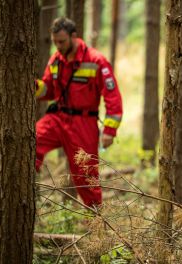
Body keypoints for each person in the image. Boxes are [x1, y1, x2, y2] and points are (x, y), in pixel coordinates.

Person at [35, 17, 123, 207]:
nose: (58, 46)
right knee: (30, 142)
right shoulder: (55, 60)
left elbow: (113, 97)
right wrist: (34, 87)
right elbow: (48, 90)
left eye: (62, 41)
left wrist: (109, 130)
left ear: (74, 37)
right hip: (57, 118)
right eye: (55, 42)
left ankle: (96, 221)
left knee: (86, 176)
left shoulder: (96, 61)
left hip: (83, 123)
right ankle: (22, 197)